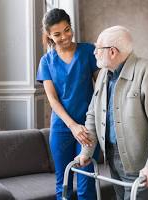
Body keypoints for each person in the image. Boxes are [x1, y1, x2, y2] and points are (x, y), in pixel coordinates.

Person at [76, 25, 148, 200]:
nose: (95, 53)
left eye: (98, 48)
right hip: (112, 157)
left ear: (113, 52)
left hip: (140, 163)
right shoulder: (103, 75)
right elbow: (92, 115)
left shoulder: (145, 71)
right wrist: (86, 151)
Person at [36, 8, 100, 200]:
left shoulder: (88, 51)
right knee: (62, 182)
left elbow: (101, 89)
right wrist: (72, 126)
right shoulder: (46, 61)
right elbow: (53, 100)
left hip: (88, 127)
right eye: (57, 34)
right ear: (48, 35)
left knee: (86, 182)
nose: (65, 36)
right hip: (61, 128)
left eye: (67, 30)